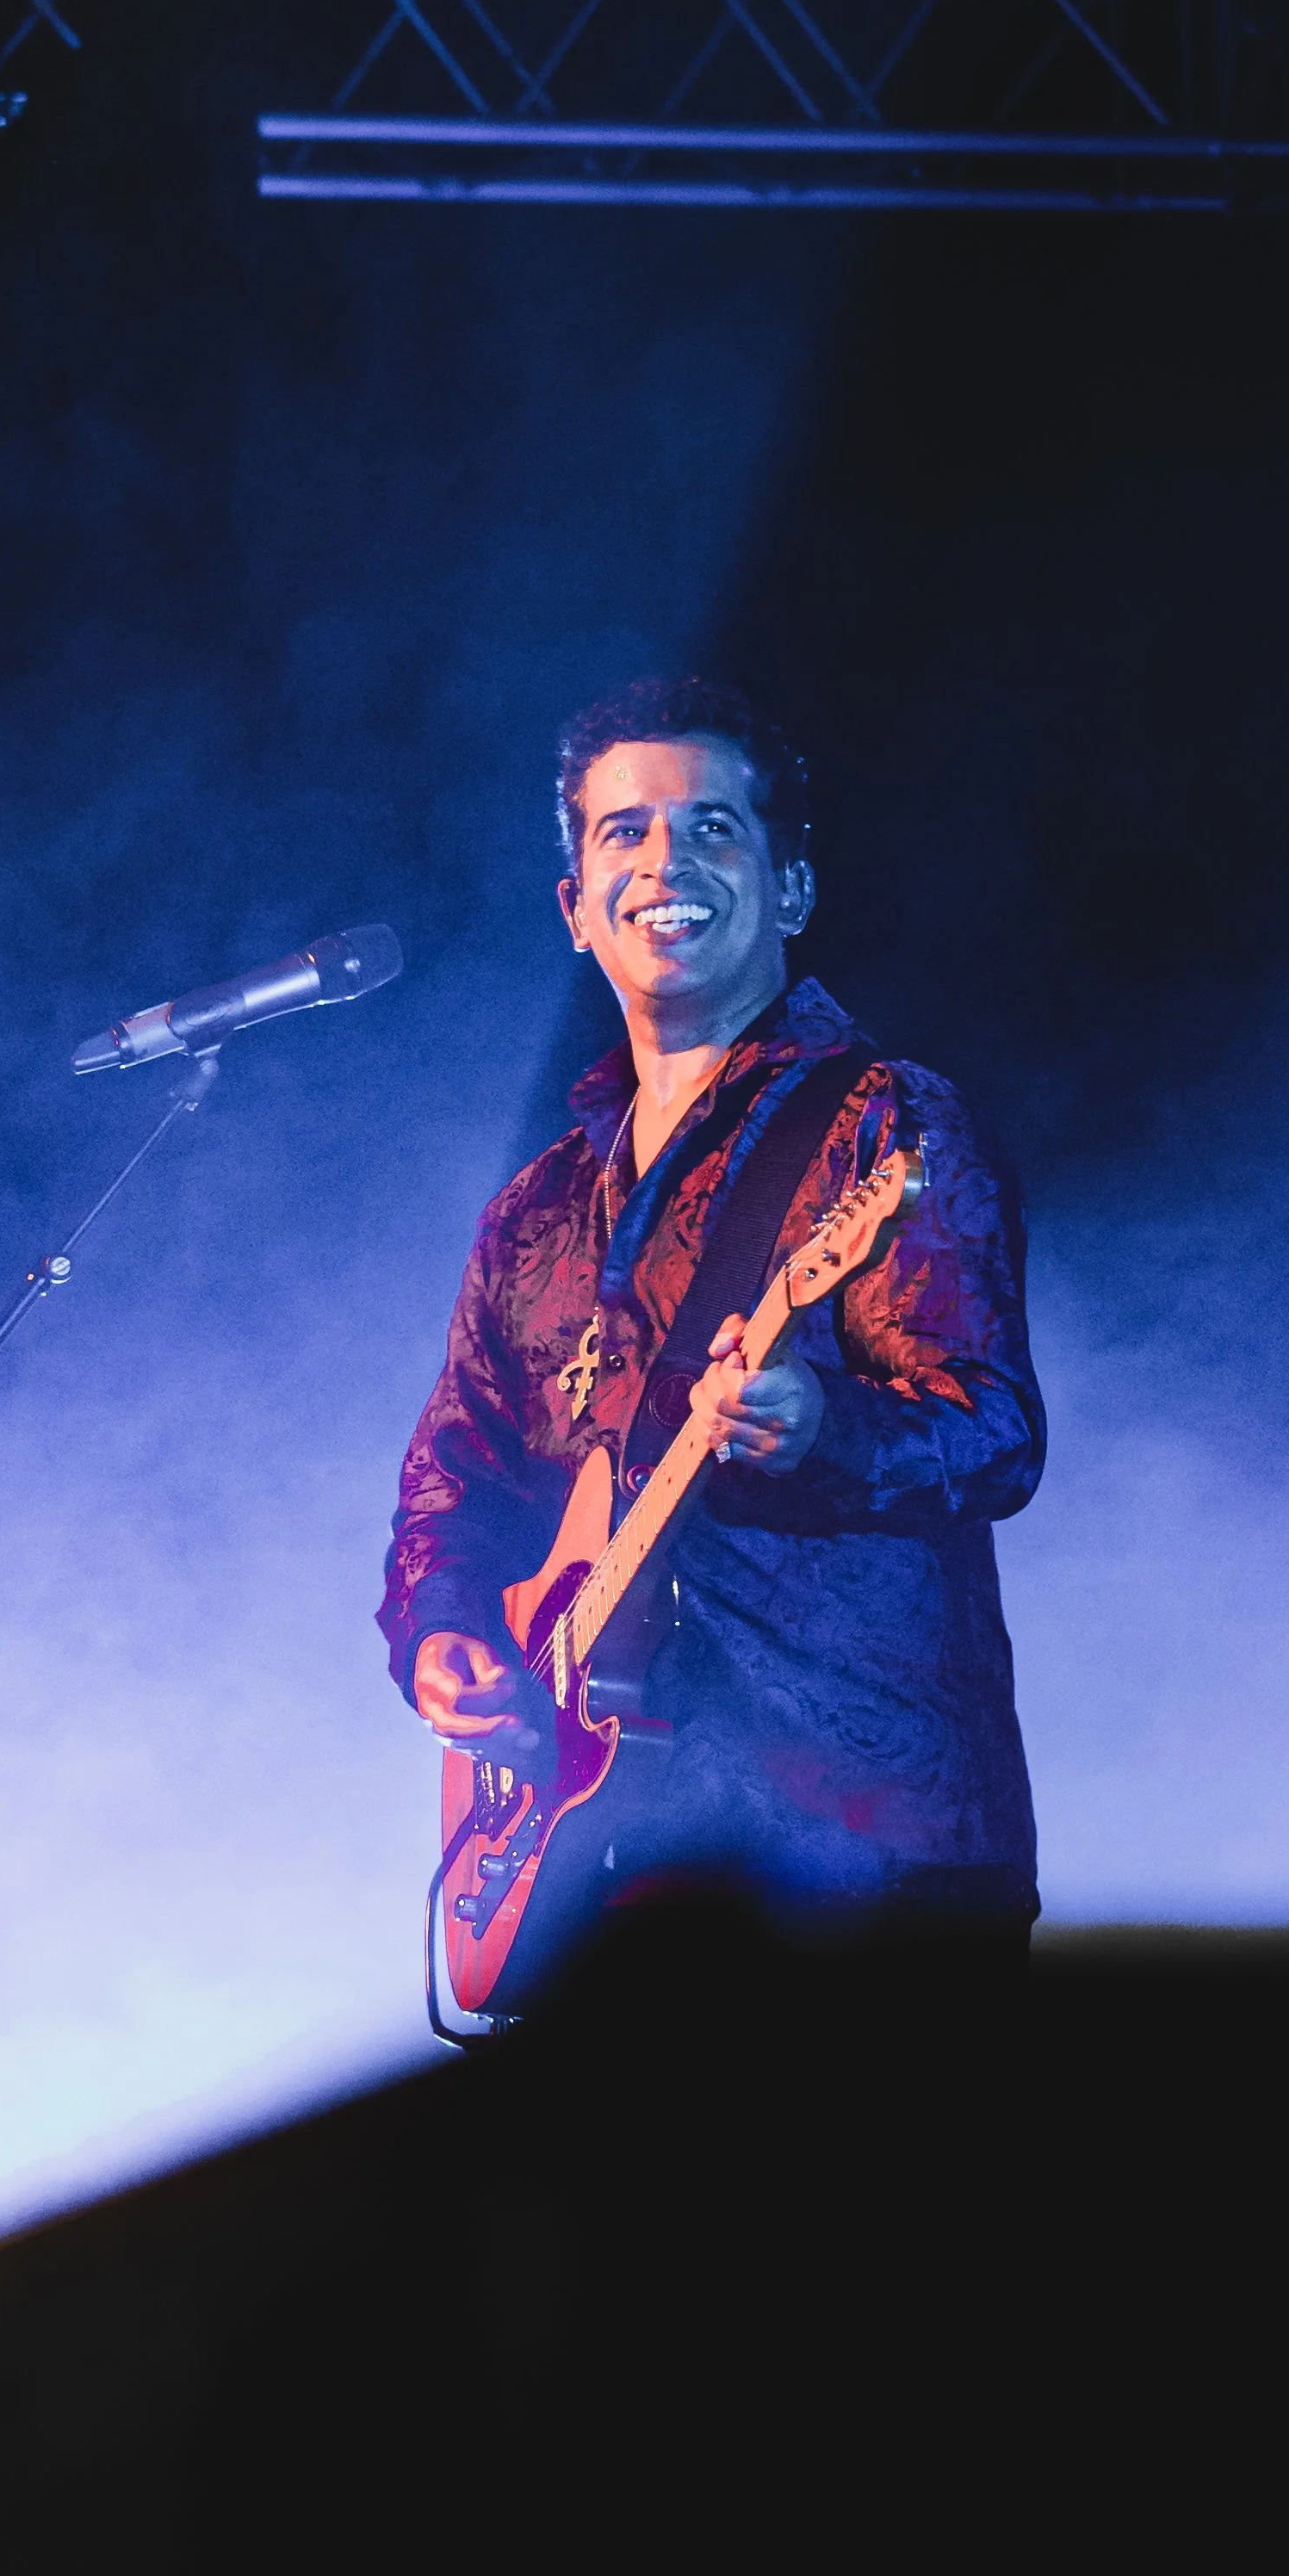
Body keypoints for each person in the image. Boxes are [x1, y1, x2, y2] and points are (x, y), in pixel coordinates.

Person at [381, 678, 1042, 1978]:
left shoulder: (882, 1123)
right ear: (573, 906)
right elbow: (450, 1479)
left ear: (788, 891)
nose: (664, 859)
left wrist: (821, 1425)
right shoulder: (535, 1210)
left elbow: (996, 1432)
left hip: (863, 1857)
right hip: (607, 1883)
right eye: (621, 832)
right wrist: (444, 1635)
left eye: (712, 829)